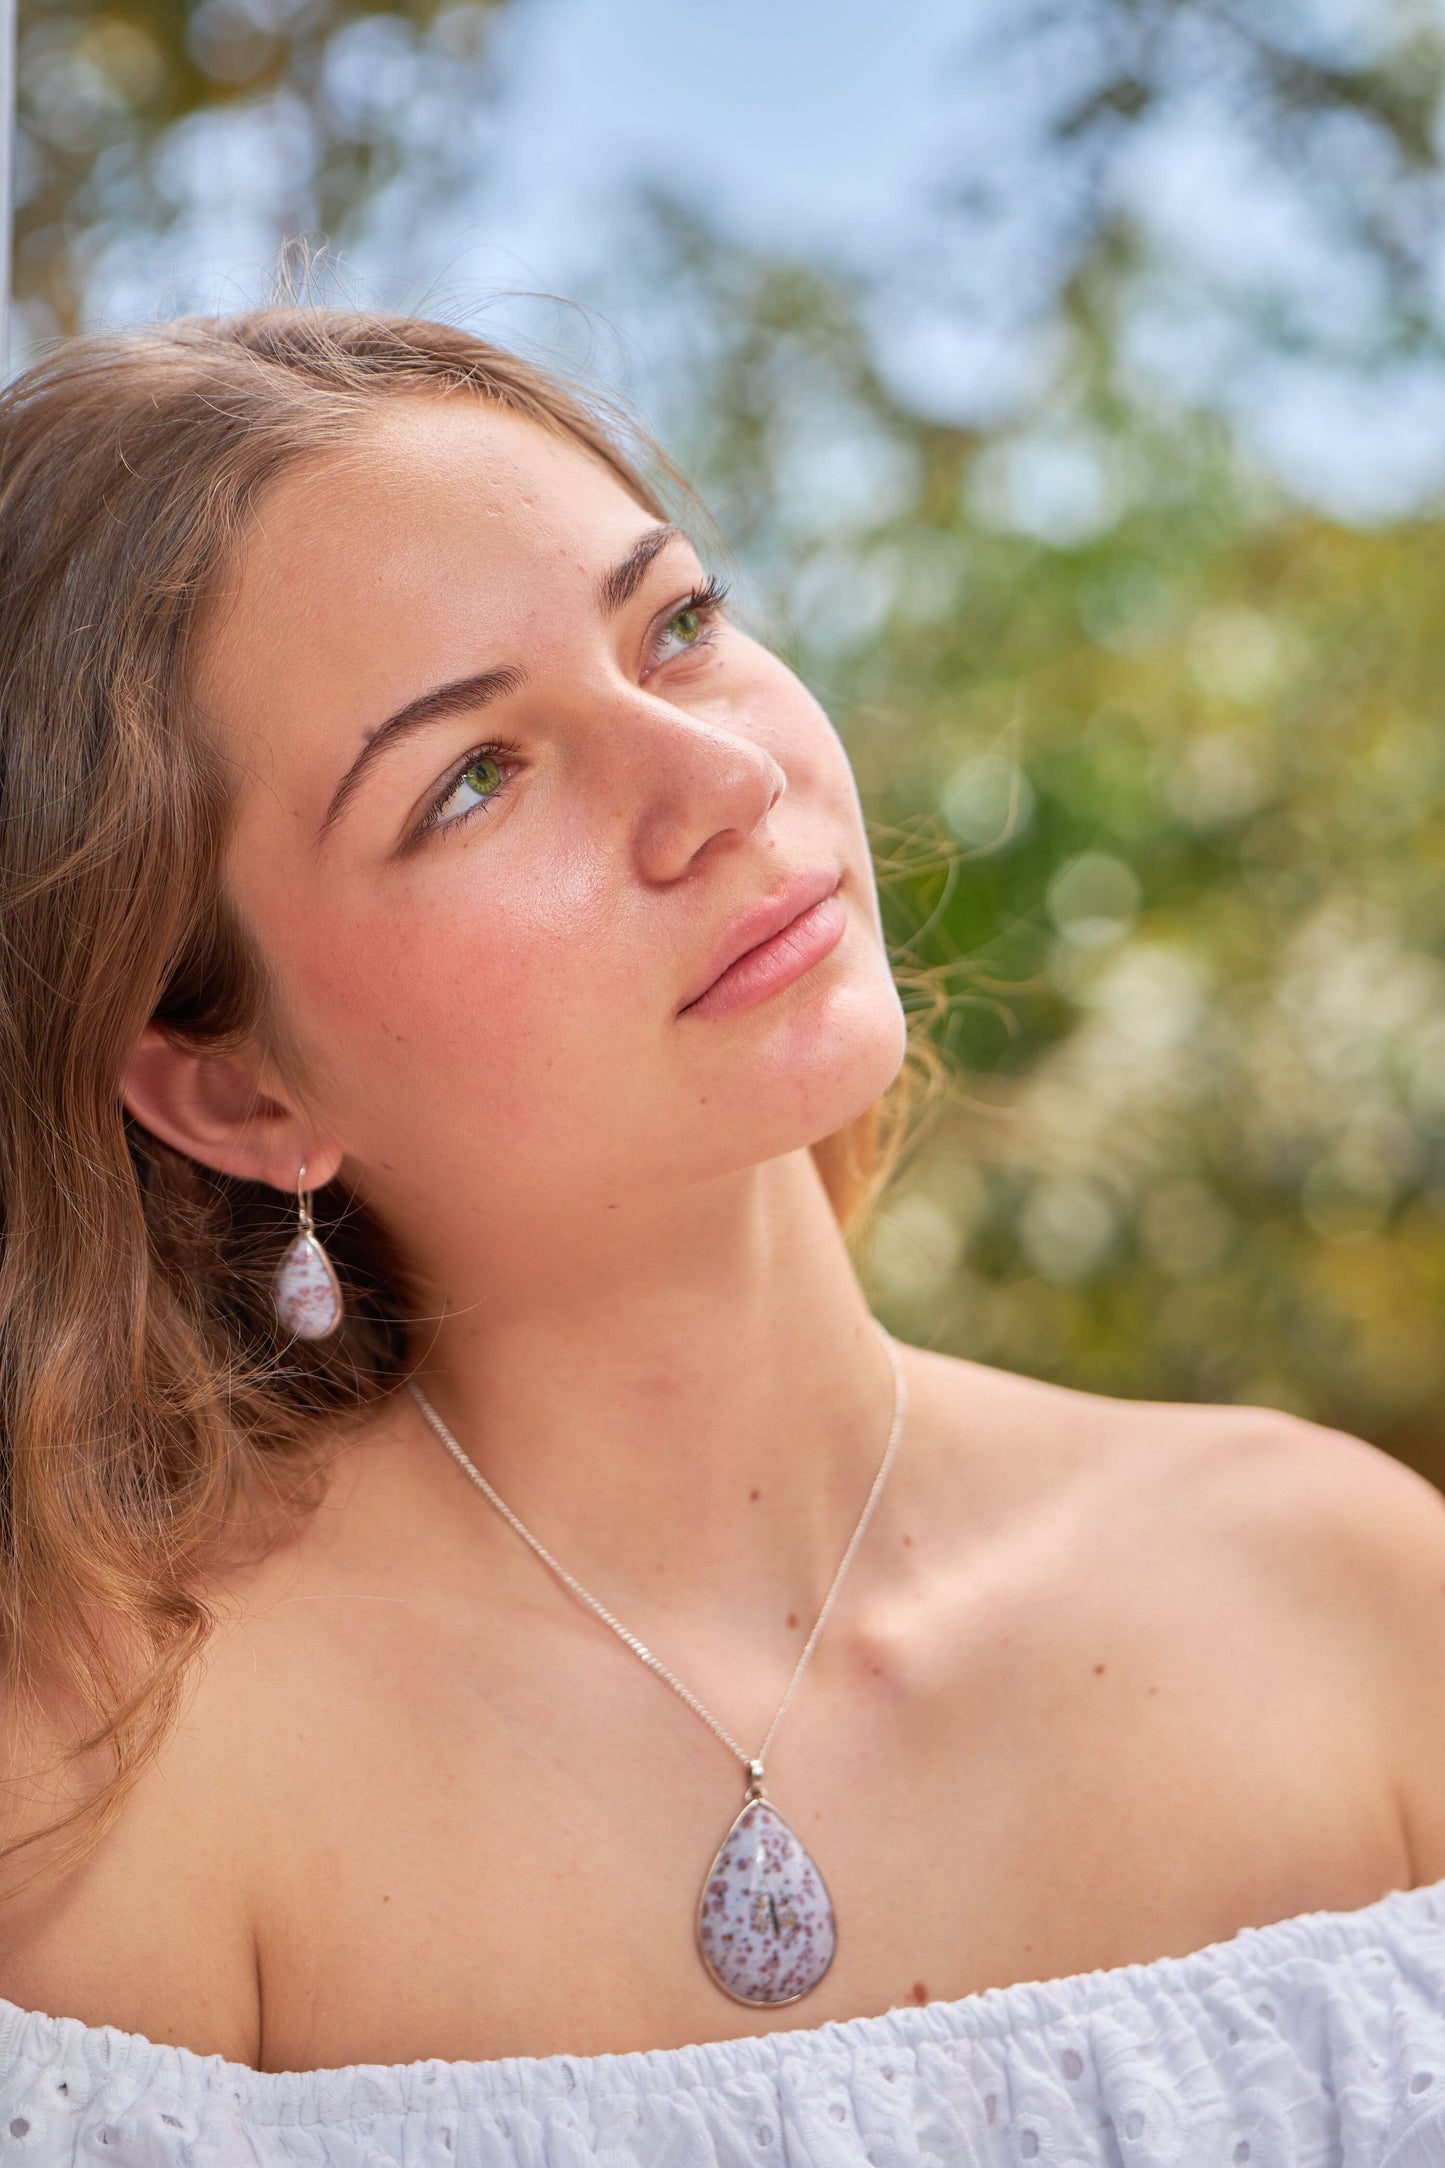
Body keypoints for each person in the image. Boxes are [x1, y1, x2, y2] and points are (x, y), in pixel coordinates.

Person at [0, 309, 1443, 2167]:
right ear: (231, 1092)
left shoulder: (1350, 1592)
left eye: (674, 628)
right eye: (472, 778)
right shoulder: (115, 1787)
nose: (727, 786)